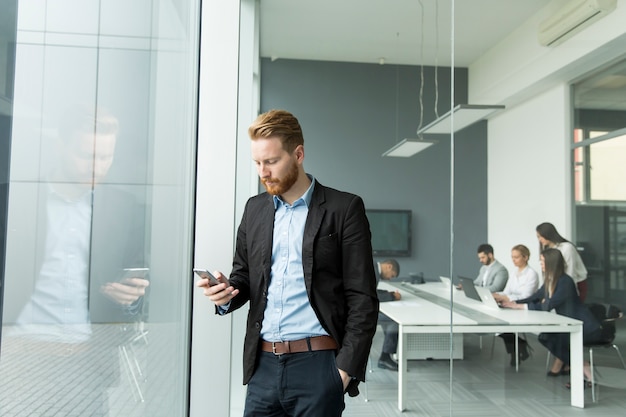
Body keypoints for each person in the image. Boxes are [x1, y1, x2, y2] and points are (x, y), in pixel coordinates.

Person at [197, 109, 379, 417]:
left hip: (318, 365)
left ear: (298, 154)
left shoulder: (344, 208)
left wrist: (343, 372)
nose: (263, 172)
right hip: (263, 367)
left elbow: (363, 297)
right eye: (257, 163)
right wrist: (225, 295)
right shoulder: (254, 209)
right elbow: (243, 278)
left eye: (271, 161)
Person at [0, 105, 149, 416]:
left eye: (106, 157)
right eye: (86, 155)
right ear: (60, 146)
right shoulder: (13, 199)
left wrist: (130, 297)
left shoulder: (125, 208)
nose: (97, 167)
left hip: (87, 364)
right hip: (17, 358)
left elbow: (138, 287)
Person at [502, 248, 604, 380]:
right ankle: (580, 365)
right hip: (568, 324)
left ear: (552, 263)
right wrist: (513, 303)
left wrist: (521, 306)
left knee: (553, 338)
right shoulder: (551, 280)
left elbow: (547, 306)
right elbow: (536, 297)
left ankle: (582, 367)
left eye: (543, 261)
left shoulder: (565, 281)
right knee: (545, 337)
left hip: (583, 326)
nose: (541, 264)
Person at [492, 244, 539, 366]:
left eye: (516, 257)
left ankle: (517, 351)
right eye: (512, 257)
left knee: (502, 326)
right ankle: (518, 347)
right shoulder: (514, 273)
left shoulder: (531, 274)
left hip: (523, 308)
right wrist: (496, 295)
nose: (513, 260)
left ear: (526, 257)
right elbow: (507, 292)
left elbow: (526, 296)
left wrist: (505, 297)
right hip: (510, 306)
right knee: (497, 325)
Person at [536, 222, 588, 302]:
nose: (540, 240)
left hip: (575, 284)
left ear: (548, 234)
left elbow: (570, 273)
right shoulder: (548, 249)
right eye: (538, 237)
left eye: (541, 236)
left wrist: (565, 292)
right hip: (558, 284)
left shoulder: (567, 248)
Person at [375, 259, 401, 371]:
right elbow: (367, 294)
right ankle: (385, 357)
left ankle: (386, 353)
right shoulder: (371, 269)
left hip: (355, 309)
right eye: (392, 275)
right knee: (393, 320)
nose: (390, 278)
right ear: (389, 266)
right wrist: (392, 297)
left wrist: (388, 294)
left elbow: (370, 290)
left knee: (388, 318)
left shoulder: (372, 267)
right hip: (356, 313)